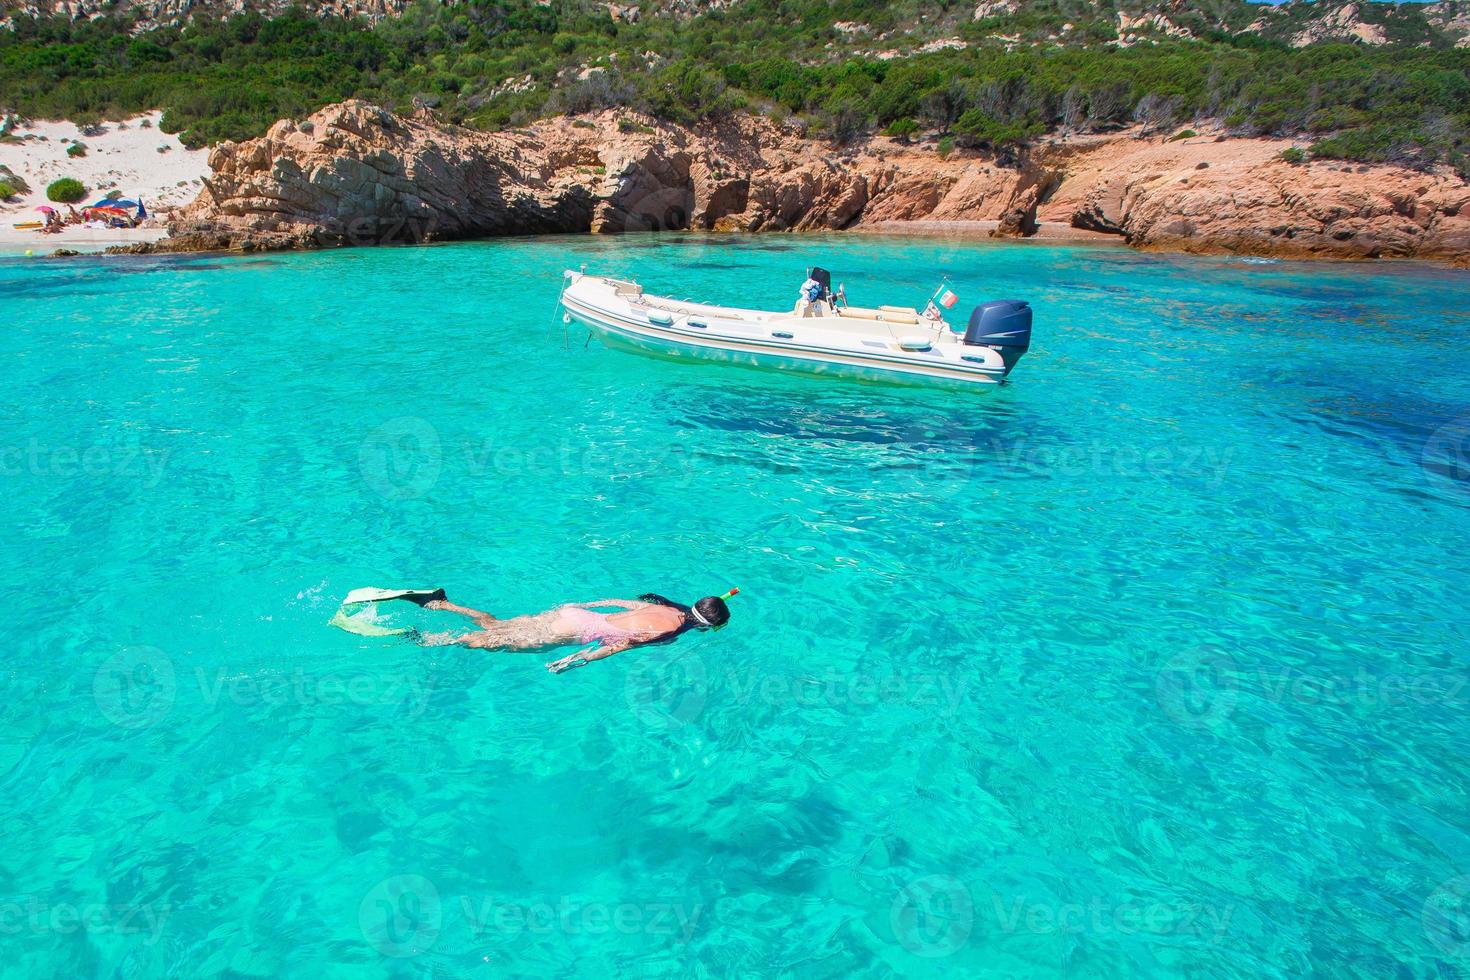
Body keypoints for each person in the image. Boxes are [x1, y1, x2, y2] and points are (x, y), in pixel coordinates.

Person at [405, 588, 736, 673]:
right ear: (706, 626)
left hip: (574, 614)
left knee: (497, 625)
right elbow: (623, 644)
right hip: (576, 630)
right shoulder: (672, 631)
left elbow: (623, 603)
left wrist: (586, 604)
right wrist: (580, 659)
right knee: (489, 643)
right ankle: (429, 641)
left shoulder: (669, 608)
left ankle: (443, 604)